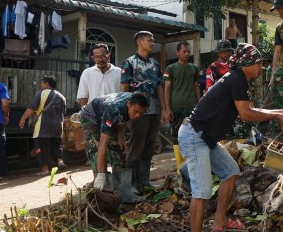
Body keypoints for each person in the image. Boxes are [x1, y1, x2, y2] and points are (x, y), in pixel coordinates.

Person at [179, 43, 283, 232]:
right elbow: (246, 113)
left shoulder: (235, 78)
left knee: (230, 171)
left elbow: (244, 111)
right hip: (194, 135)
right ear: (248, 64)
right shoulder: (237, 78)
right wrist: (276, 114)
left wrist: (277, 112)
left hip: (205, 137)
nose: (261, 67)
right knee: (201, 191)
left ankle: (220, 222)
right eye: (259, 63)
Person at [80, 92, 149, 203]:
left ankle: (123, 192)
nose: (137, 116)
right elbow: (103, 145)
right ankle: (102, 194)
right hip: (91, 117)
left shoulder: (133, 101)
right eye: (136, 112)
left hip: (107, 116)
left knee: (119, 152)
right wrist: (101, 174)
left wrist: (120, 136)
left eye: (141, 113)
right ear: (129, 104)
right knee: (97, 149)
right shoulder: (114, 110)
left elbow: (122, 118)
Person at [121, 31, 168, 191]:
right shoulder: (129, 63)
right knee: (136, 146)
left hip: (154, 109)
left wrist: (164, 109)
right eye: (150, 40)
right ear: (139, 42)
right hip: (137, 111)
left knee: (149, 147)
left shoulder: (155, 63)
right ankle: (131, 183)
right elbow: (124, 89)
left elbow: (160, 87)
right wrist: (127, 112)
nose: (152, 42)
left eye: (153, 40)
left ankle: (144, 181)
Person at [19, 75, 66, 175]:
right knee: (56, 145)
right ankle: (60, 161)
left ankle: (45, 169)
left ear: (47, 84)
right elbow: (63, 112)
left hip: (44, 125)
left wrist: (23, 118)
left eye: (42, 82)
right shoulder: (62, 96)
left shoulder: (41, 94)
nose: (41, 84)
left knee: (40, 147)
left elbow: (31, 109)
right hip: (58, 126)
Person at [164, 41, 201, 138]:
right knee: (177, 136)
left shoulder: (194, 68)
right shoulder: (170, 68)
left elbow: (196, 86)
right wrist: (167, 108)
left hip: (191, 107)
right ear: (177, 52)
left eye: (188, 51)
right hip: (176, 108)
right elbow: (167, 89)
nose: (187, 54)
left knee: (192, 135)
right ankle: (178, 154)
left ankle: (189, 154)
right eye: (184, 51)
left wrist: (199, 104)